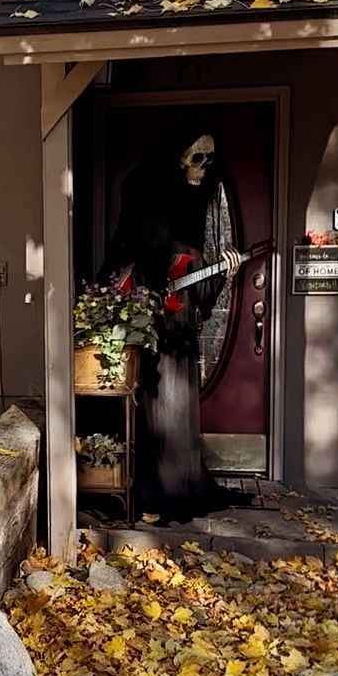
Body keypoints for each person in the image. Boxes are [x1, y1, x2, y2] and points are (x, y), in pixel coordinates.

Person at [102, 129, 253, 523]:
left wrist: (226, 273)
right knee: (156, 408)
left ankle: (179, 486)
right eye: (197, 157)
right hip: (150, 328)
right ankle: (155, 492)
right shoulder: (144, 207)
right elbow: (124, 264)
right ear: (178, 158)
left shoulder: (191, 220)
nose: (203, 168)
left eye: (210, 160)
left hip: (181, 328)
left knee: (179, 407)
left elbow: (200, 289)